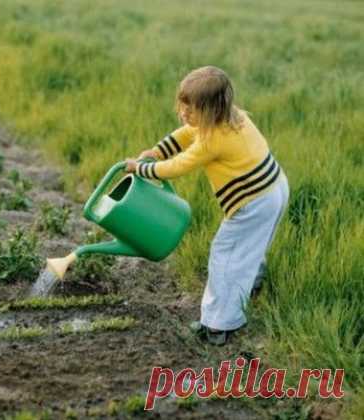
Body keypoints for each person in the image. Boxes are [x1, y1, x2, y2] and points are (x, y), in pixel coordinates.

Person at [124, 65, 289, 346]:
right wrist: (157, 150)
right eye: (182, 107)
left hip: (253, 202)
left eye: (191, 110)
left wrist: (140, 168)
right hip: (274, 187)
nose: (184, 115)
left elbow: (177, 166)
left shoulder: (212, 140)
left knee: (224, 256)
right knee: (249, 248)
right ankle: (252, 283)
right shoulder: (234, 117)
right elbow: (188, 132)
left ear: (211, 111)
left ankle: (218, 325)